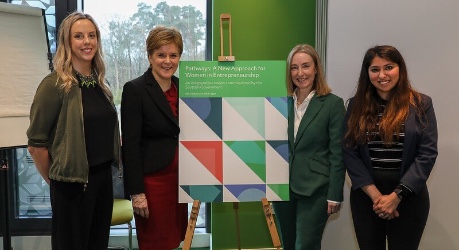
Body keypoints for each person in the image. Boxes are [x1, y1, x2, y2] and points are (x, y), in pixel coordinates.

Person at [26, 12, 121, 250]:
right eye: (78, 36)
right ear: (67, 42)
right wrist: (58, 182)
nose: (86, 42)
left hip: (102, 181)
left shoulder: (101, 84)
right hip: (71, 186)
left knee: (97, 244)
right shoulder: (54, 85)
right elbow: (36, 145)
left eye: (91, 35)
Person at [343, 45, 438, 250]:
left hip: (409, 196)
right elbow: (349, 152)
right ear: (367, 73)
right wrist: (377, 197)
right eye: (375, 69)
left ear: (400, 69)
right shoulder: (355, 105)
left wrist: (397, 196)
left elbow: (427, 153)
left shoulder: (422, 104)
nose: (382, 75)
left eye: (389, 67)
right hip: (367, 197)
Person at [272, 44, 346, 250]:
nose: (300, 73)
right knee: (288, 245)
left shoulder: (333, 104)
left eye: (305, 66)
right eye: (294, 68)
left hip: (316, 189)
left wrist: (335, 193)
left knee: (305, 245)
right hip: (282, 188)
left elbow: (337, 153)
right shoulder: (280, 102)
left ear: (316, 69)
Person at [121, 26, 187, 250]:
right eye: (161, 55)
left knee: (175, 240)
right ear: (150, 56)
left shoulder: (185, 87)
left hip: (180, 181)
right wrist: (137, 192)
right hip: (152, 184)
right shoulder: (135, 90)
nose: (167, 61)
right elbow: (129, 146)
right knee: (155, 243)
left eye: (173, 55)